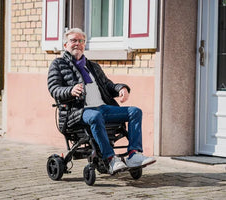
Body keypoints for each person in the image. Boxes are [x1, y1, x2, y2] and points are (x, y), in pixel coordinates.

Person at [47, 28, 155, 174]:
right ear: (66, 45)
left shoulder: (93, 66)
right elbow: (54, 88)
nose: (77, 44)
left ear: (84, 45)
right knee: (95, 116)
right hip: (77, 112)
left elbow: (107, 85)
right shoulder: (58, 64)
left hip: (103, 108)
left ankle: (133, 155)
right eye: (73, 40)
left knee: (135, 112)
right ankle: (110, 159)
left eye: (81, 41)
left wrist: (121, 88)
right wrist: (70, 91)